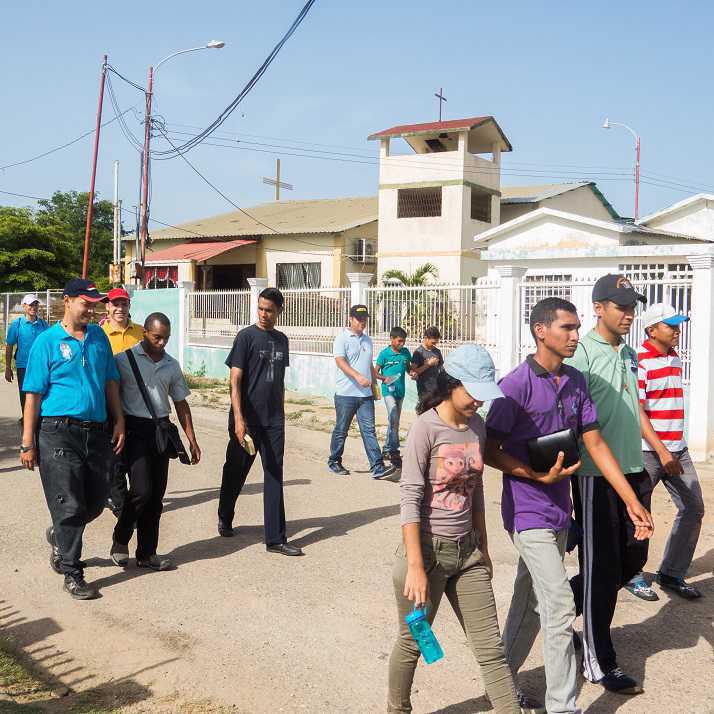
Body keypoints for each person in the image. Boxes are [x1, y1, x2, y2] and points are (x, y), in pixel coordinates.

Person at [485, 297, 654, 713]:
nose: (576, 335)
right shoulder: (514, 386)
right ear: (541, 330)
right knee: (559, 608)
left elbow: (594, 441)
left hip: (562, 512)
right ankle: (563, 707)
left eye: (578, 327)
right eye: (567, 328)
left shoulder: (576, 380)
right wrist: (532, 475)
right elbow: (490, 448)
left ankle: (501, 686)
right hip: (528, 513)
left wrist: (631, 499)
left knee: (527, 603)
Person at [388, 344, 521, 714]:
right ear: (452, 383)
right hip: (426, 557)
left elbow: (475, 490)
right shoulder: (425, 428)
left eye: (484, 395)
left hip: (468, 554)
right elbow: (410, 498)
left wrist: (485, 548)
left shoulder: (477, 427)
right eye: (473, 393)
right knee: (412, 642)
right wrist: (415, 566)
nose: (479, 402)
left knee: (491, 650)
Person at [565, 274, 657, 694]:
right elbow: (571, 416)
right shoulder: (581, 353)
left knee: (633, 558)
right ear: (598, 307)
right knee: (601, 570)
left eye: (632, 307)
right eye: (621, 306)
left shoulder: (629, 353)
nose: (629, 314)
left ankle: (561, 598)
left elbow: (632, 404)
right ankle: (599, 661)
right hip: (595, 477)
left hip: (633, 470)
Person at [19, 279, 125, 600]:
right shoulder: (48, 342)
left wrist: (119, 419)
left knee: (94, 502)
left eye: (94, 303)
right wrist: (27, 442)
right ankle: (72, 571)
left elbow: (110, 382)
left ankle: (59, 535)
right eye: (85, 302)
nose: (91, 309)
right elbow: (33, 394)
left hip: (95, 431)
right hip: (57, 431)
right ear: (67, 301)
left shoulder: (98, 338)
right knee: (69, 504)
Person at [624, 303, 704, 601]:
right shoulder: (640, 362)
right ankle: (632, 574)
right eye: (671, 326)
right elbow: (638, 412)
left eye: (677, 325)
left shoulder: (673, 358)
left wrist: (674, 448)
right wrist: (662, 450)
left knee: (693, 508)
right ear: (651, 330)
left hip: (677, 450)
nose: (677, 331)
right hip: (649, 452)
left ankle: (671, 573)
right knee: (639, 513)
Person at [111, 312, 201, 571]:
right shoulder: (124, 360)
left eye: (166, 338)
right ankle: (120, 538)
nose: (162, 343)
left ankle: (147, 553)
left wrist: (191, 439)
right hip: (134, 430)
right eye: (157, 337)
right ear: (146, 333)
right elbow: (111, 392)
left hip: (160, 430)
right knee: (141, 490)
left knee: (156, 496)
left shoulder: (171, 365)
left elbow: (180, 403)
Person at [218, 288, 303, 556]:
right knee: (236, 470)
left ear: (279, 311)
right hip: (248, 419)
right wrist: (239, 420)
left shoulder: (282, 340)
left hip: (274, 420)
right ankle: (225, 514)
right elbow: (235, 381)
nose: (264, 314)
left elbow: (278, 381)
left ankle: (276, 538)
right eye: (261, 308)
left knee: (274, 474)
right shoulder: (246, 337)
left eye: (269, 310)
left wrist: (282, 412)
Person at [327, 304, 396, 479]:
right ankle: (334, 460)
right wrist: (357, 377)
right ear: (350, 319)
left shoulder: (367, 340)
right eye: (359, 319)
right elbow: (340, 362)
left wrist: (379, 379)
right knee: (341, 430)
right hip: (346, 394)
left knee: (369, 430)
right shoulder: (342, 339)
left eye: (365, 319)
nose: (362, 322)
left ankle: (377, 467)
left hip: (365, 396)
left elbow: (369, 366)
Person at [101, 287, 144, 516]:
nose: (120, 308)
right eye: (115, 304)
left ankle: (131, 497)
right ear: (107, 306)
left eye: (124, 304)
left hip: (136, 404)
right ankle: (119, 502)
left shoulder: (140, 332)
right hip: (108, 402)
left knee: (135, 454)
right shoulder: (99, 333)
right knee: (115, 455)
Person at [4, 294, 49, 415]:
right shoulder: (17, 324)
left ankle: (39, 422)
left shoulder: (44, 325)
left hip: (41, 367)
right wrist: (8, 368)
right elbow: (9, 346)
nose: (33, 307)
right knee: (25, 397)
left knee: (42, 395)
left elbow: (50, 345)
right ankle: (26, 422)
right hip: (23, 367)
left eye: (35, 304)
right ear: (24, 306)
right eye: (30, 305)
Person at [376, 326, 412, 469]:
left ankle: (386, 449)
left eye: (403, 341)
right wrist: (384, 378)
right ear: (391, 339)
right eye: (399, 341)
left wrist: (413, 373)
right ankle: (394, 451)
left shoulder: (405, 353)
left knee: (393, 421)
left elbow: (409, 369)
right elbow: (374, 373)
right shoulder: (384, 354)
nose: (402, 344)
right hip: (388, 392)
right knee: (394, 419)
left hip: (400, 392)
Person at [409, 326, 443, 402]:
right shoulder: (418, 353)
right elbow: (413, 372)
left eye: (436, 342)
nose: (434, 345)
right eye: (433, 342)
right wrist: (428, 365)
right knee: (425, 413)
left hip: (437, 389)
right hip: (424, 391)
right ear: (425, 338)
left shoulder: (437, 351)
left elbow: (442, 369)